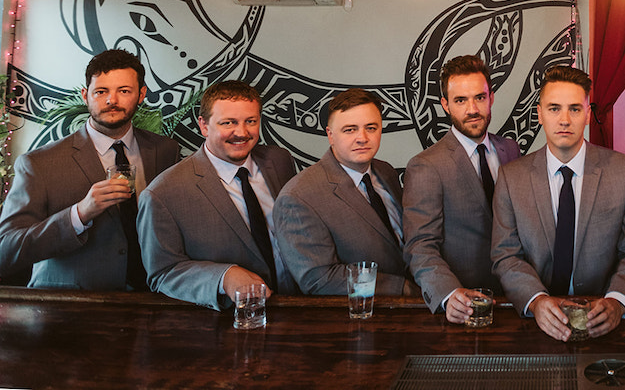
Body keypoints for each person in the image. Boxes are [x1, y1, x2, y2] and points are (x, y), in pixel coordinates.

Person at [491, 65, 625, 341]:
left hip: (602, 319)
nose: (564, 119)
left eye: (575, 109)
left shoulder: (624, 171)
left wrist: (618, 301)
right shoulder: (511, 177)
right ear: (540, 114)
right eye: (554, 108)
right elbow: (505, 255)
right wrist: (535, 300)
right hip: (535, 322)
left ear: (588, 115)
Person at [0, 49, 180, 290]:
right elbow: (7, 251)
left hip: (154, 300)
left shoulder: (167, 151)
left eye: (124, 91)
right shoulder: (38, 164)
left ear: (141, 94)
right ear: (86, 95)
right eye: (101, 91)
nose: (111, 101)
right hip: (69, 308)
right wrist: (79, 214)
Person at [137, 80, 298, 309]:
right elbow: (162, 273)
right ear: (204, 126)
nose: (241, 133)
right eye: (228, 123)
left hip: (296, 306)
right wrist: (224, 277)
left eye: (250, 121)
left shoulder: (279, 161)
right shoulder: (162, 194)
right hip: (226, 321)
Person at [403, 55, 521, 321]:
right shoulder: (426, 166)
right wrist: (448, 294)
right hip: (464, 305)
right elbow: (420, 246)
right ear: (445, 105)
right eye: (460, 100)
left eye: (479, 97)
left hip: (517, 298)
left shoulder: (511, 149)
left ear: (491, 98)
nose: (472, 109)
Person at [273, 88, 412, 296]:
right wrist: (402, 288)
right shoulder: (297, 197)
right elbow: (319, 279)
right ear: (330, 135)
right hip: (357, 316)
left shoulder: (385, 171)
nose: (362, 138)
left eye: (371, 128)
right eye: (350, 130)